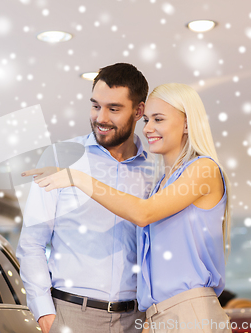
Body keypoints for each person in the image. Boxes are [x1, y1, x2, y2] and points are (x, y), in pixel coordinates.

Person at [24, 83, 233, 333]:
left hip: (189, 313)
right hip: (156, 315)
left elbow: (143, 213)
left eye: (158, 119)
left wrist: (78, 178)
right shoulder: (161, 183)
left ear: (187, 124)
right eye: (147, 120)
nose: (148, 128)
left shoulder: (203, 169)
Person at [16, 63, 155, 333]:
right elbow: (32, 243)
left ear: (139, 111)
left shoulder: (154, 170)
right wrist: (45, 313)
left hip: (136, 319)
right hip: (70, 315)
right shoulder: (60, 158)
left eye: (114, 109)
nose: (101, 117)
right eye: (95, 106)